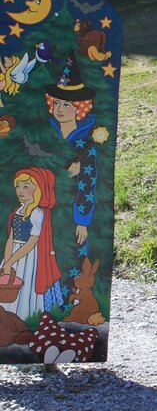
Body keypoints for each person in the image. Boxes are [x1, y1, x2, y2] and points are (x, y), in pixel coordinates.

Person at [46, 57, 97, 247]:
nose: (60, 109)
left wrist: (82, 221)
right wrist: (65, 174)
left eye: (67, 105)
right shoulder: (47, 134)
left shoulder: (85, 143)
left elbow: (88, 182)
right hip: (44, 208)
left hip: (72, 209)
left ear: (80, 109)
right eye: (57, 103)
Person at [1, 168, 64, 321]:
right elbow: (11, 238)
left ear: (38, 188)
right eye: (18, 186)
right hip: (13, 253)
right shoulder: (17, 211)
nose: (20, 190)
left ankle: (27, 318)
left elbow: (32, 241)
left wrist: (11, 262)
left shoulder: (37, 212)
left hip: (29, 256)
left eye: (26, 186)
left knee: (26, 284)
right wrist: (6, 261)